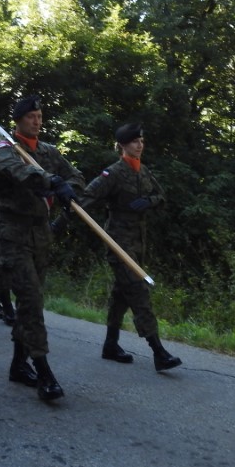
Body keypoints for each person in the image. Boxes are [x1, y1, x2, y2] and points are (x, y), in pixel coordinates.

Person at [0, 95, 84, 402]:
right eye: (31, 116)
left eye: (40, 116)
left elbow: (76, 176)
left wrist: (70, 188)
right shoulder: (5, 149)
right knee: (30, 298)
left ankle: (19, 364)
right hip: (12, 234)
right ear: (18, 120)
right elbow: (21, 173)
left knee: (31, 303)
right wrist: (50, 180)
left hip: (40, 235)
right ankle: (44, 371)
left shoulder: (49, 151)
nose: (37, 121)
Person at [75, 123, 181, 371]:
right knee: (138, 291)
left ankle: (110, 345)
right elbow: (86, 199)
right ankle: (158, 351)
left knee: (121, 295)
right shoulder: (112, 174)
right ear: (123, 145)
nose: (140, 145)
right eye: (135, 141)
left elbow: (161, 196)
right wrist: (59, 222)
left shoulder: (143, 171)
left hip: (138, 242)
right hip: (119, 242)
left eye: (142, 140)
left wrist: (148, 201)